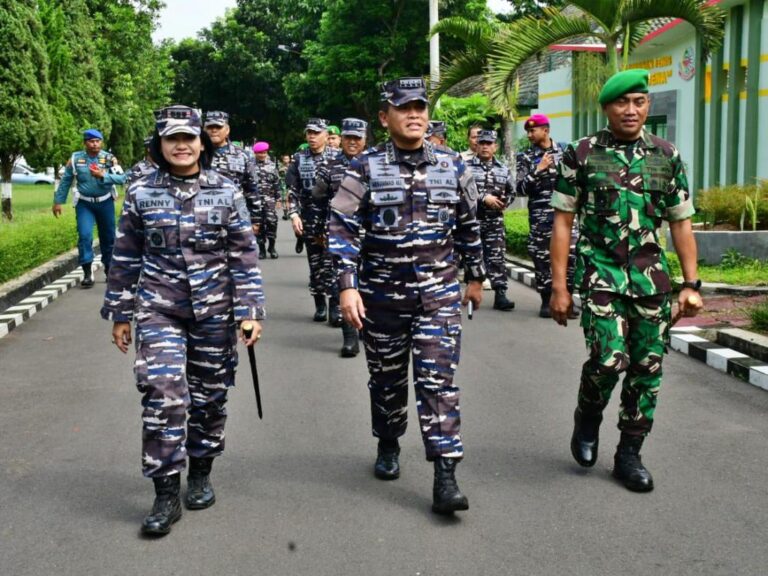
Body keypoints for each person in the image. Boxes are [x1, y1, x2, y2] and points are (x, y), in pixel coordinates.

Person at [101, 105, 265, 536]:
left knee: (210, 397)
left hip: (214, 310)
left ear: (201, 142)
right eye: (171, 138)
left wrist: (250, 312)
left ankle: (201, 472)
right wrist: (119, 312)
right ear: (159, 145)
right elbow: (126, 255)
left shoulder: (227, 191)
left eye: (188, 138)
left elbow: (244, 256)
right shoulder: (140, 192)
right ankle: (165, 493)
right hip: (159, 308)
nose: (181, 145)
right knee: (163, 393)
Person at [328, 77, 485, 515]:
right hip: (381, 298)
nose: (415, 114)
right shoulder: (364, 168)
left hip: (438, 297)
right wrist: (347, 286)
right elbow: (341, 227)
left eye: (420, 107)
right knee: (387, 381)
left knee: (438, 383)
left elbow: (470, 225)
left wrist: (476, 276)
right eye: (404, 108)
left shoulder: (453, 165)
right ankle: (389, 440)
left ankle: (445, 474)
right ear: (385, 116)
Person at [550, 69, 703, 493]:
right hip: (600, 274)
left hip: (652, 281)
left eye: (639, 101)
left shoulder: (666, 155)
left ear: (647, 106)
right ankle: (588, 416)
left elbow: (681, 223)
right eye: (622, 102)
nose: (631, 110)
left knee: (646, 369)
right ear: (606, 108)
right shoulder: (581, 154)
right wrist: (559, 287)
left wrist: (692, 284)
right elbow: (563, 223)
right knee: (607, 360)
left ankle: (629, 454)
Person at [312, 117, 367, 356]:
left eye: (357, 138)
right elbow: (318, 200)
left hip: (372, 235)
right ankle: (349, 337)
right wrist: (316, 231)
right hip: (340, 234)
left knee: (367, 283)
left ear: (364, 140)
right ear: (342, 139)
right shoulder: (329, 166)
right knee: (342, 283)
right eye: (349, 138)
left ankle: (366, 328)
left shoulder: (375, 164)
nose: (353, 142)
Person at [516, 114, 578, 318]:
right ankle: (545, 300)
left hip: (567, 217)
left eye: (533, 130)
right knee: (541, 258)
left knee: (571, 258)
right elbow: (520, 188)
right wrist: (538, 170)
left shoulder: (565, 151)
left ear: (546, 130)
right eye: (528, 131)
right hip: (541, 219)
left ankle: (567, 299)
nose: (529, 134)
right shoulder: (525, 157)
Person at [53, 129, 126, 288]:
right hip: (84, 203)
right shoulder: (75, 159)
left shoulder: (108, 158)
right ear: (85, 143)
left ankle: (109, 268)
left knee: (108, 238)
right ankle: (87, 272)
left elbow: (122, 178)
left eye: (98, 141)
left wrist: (103, 175)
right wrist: (58, 201)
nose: (95, 144)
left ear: (101, 142)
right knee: (85, 235)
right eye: (91, 141)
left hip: (105, 202)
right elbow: (66, 181)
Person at [285, 118, 339, 321]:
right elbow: (292, 190)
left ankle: (335, 306)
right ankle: (319, 304)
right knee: (315, 263)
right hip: (309, 219)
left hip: (332, 219)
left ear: (326, 135)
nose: (312, 137)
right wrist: (294, 214)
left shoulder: (337, 157)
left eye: (316, 133)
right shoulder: (299, 159)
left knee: (333, 262)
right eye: (309, 133)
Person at [467, 129, 516, 311]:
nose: (485, 147)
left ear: (495, 146)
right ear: (476, 146)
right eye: (482, 143)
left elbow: (512, 191)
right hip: (472, 221)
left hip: (494, 220)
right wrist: (482, 197)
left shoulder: (503, 169)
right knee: (472, 257)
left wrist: (504, 203)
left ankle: (500, 294)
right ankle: (470, 290)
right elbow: (461, 191)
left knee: (497, 257)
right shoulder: (466, 167)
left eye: (489, 144)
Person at [204, 111, 261, 236]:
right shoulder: (196, 154)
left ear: (227, 129)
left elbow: (252, 189)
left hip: (235, 215)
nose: (214, 130)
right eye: (210, 127)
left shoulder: (242, 156)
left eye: (218, 127)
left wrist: (255, 219)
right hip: (202, 216)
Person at [252, 141, 280, 259]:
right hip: (254, 201)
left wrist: (279, 199)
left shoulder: (272, 166)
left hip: (269, 200)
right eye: (259, 153)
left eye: (264, 153)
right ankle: (262, 249)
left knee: (272, 222)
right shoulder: (250, 166)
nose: (262, 155)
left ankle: (272, 247)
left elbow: (277, 183)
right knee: (258, 225)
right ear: (255, 153)